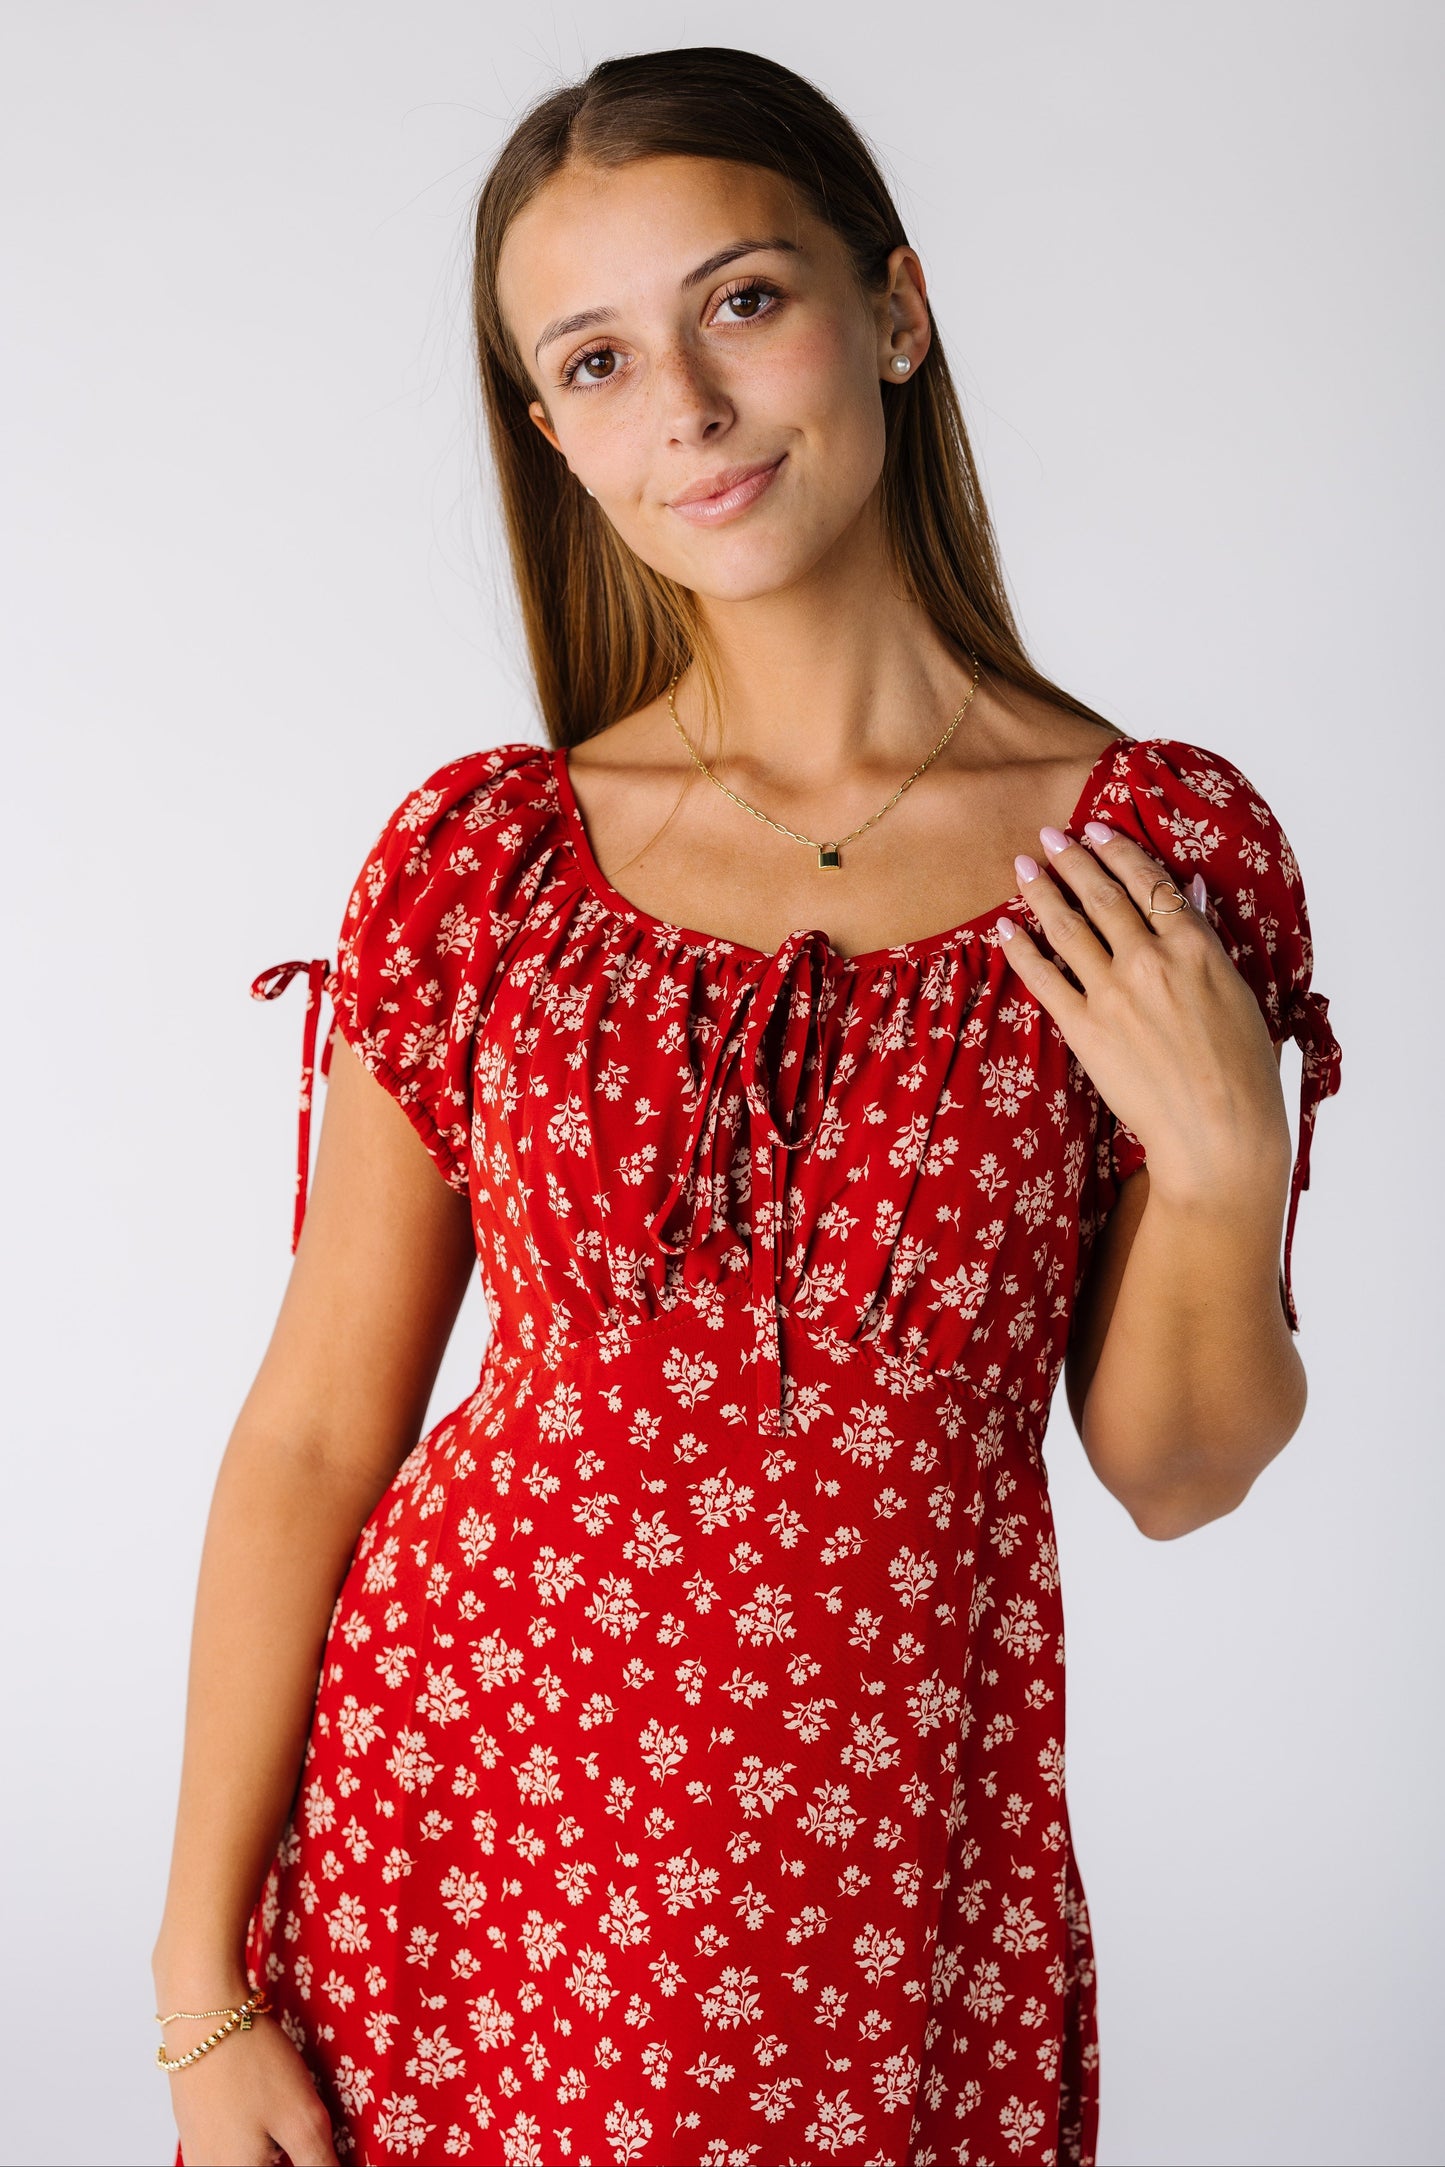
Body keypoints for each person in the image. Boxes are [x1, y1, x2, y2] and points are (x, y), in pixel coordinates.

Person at [151, 46, 1342, 2167]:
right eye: (597, 361)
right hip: (465, 1847)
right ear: (556, 437)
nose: (686, 407)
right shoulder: (487, 867)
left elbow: (1175, 1471)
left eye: (744, 302)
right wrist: (199, 1993)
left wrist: (1223, 1164)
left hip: (878, 1908)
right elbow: (318, 1432)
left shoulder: (1146, 857)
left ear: (893, 309)